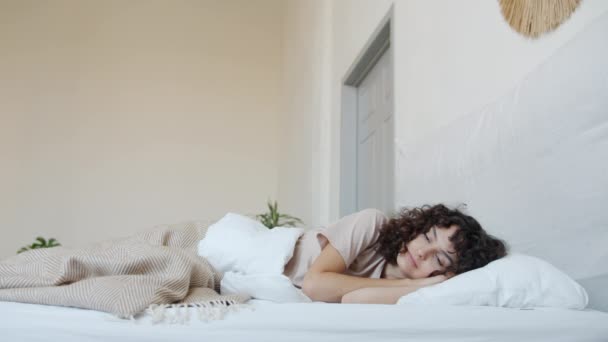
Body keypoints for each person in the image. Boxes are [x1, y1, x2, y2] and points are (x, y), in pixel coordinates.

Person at [282, 204, 507, 304]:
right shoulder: (374, 223)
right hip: (266, 248)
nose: (421, 253)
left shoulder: (411, 292)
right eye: (427, 237)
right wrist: (411, 284)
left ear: (447, 274)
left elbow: (353, 299)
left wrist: (417, 287)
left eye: (439, 259)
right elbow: (314, 285)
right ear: (418, 228)